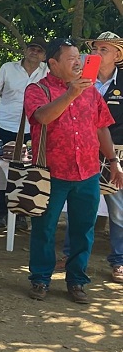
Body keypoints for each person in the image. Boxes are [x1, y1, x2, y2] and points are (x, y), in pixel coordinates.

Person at [24, 38, 123, 303]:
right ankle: (40, 279)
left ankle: (77, 281)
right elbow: (42, 117)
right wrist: (71, 94)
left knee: (83, 229)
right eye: (71, 59)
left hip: (88, 171)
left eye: (79, 57)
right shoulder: (38, 89)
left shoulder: (91, 91)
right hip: (51, 172)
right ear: (53, 64)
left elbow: (102, 126)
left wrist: (113, 161)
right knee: (44, 228)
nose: (78, 63)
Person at [61, 31, 123, 283]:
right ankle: (69, 255)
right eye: (95, 49)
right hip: (82, 148)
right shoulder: (79, 80)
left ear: (118, 55)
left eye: (104, 50)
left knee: (118, 209)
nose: (96, 54)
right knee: (78, 203)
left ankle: (119, 261)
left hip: (117, 151)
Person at [0, 38, 48, 229]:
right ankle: (1, 212)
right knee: (2, 170)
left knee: (28, 171)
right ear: (25, 50)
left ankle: (21, 213)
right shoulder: (8, 68)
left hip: (33, 127)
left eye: (39, 50)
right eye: (31, 48)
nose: (34, 52)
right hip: (4, 125)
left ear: (44, 55)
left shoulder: (48, 72)